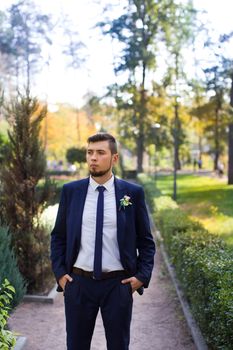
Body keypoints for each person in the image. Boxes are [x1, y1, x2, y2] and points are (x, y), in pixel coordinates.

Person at [50, 133, 156, 350]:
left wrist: (141, 277)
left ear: (114, 158)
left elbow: (146, 241)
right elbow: (58, 236)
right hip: (78, 284)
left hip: (117, 286)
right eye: (90, 152)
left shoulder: (132, 194)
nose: (93, 158)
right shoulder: (71, 192)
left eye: (100, 153)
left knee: (118, 346)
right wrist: (61, 275)